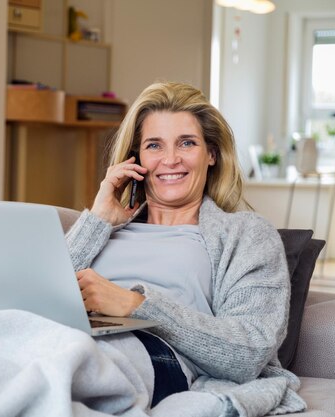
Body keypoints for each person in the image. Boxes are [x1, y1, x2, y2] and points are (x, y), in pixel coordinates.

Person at [65, 82, 304, 411]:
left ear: (211, 154)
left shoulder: (247, 234)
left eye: (187, 143)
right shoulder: (103, 228)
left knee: (58, 358)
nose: (170, 159)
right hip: (73, 335)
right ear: (137, 158)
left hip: (150, 354)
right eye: (154, 146)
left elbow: (250, 351)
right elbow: (34, 300)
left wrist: (135, 305)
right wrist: (98, 219)